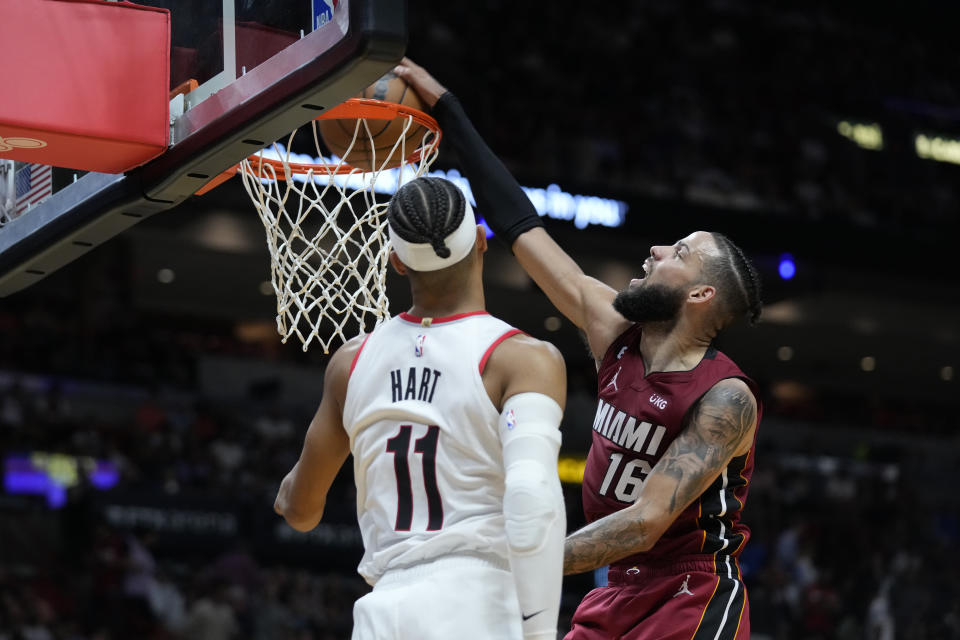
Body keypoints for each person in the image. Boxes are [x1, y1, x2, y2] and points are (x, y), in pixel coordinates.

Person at [395, 58, 763, 639]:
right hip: (616, 587)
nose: (657, 249)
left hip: (693, 593)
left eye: (680, 252)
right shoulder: (613, 329)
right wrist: (448, 108)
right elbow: (521, 228)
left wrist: (512, 558)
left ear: (701, 293)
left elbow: (645, 522)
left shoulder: (726, 398)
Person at [274, 176, 568, 640]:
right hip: (478, 603)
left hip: (382, 609)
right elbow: (532, 502)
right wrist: (539, 632)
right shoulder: (523, 358)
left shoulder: (351, 363)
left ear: (395, 262)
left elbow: (301, 511)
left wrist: (290, 491)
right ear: (480, 240)